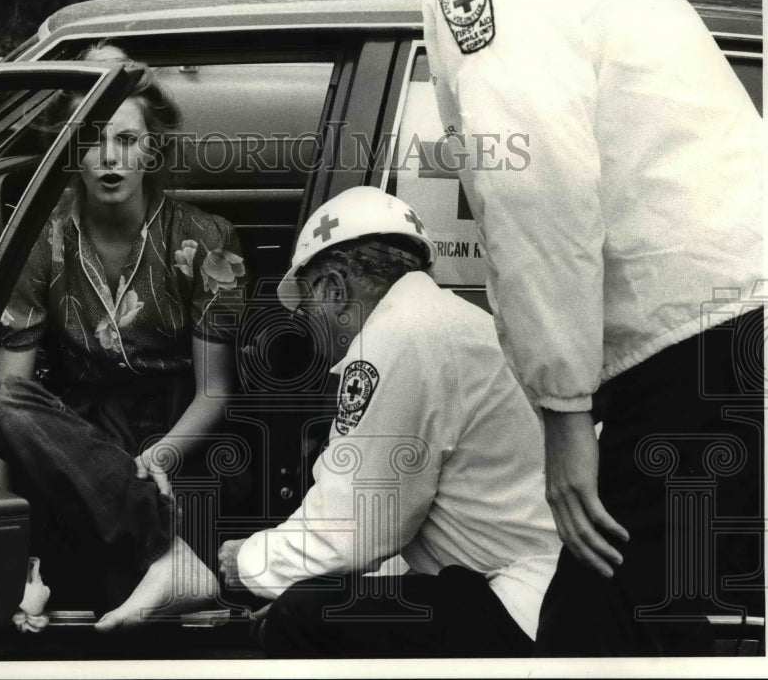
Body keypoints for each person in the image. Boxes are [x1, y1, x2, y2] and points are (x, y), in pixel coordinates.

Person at [422, 0, 764, 655]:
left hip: (696, 340)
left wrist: (564, 409)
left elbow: (537, 185)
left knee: (602, 631)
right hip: (735, 322)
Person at [217, 186, 562, 658]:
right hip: (536, 590)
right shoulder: (445, 321)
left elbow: (356, 524)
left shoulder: (399, 337)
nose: (307, 328)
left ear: (333, 290)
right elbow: (405, 521)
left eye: (307, 308)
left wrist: (247, 564)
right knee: (310, 603)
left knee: (305, 619)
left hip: (514, 601)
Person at [0, 45, 248, 631]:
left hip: (177, 430)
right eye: (90, 140)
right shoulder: (42, 235)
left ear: (151, 148)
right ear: (69, 149)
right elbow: (9, 399)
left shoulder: (206, 237)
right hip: (76, 432)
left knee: (114, 603)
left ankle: (154, 556)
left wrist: (150, 461)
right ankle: (167, 553)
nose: (109, 158)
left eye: (127, 140)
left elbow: (214, 394)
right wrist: (0, 525)